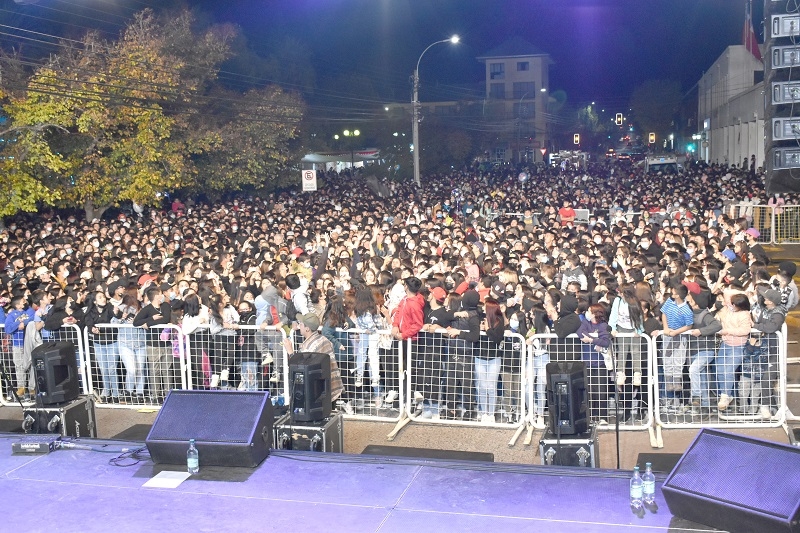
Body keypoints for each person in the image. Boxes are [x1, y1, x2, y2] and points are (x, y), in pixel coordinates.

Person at [282, 312, 343, 407]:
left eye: (301, 324)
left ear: (307, 328)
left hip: (318, 393)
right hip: (332, 388)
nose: (298, 326)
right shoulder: (324, 340)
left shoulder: (309, 347)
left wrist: (290, 352)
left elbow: (300, 368)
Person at [133, 286, 173, 403]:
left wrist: (149, 323)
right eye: (161, 294)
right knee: (154, 370)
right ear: (156, 296)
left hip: (166, 343)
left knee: (167, 369)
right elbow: (136, 322)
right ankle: (155, 395)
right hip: (153, 344)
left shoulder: (165, 306)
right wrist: (151, 318)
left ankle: (168, 393)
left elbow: (166, 319)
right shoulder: (147, 309)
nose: (163, 296)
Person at [659, 283, 694, 415]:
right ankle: (669, 389)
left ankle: (677, 391)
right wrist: (666, 328)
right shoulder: (669, 302)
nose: (672, 293)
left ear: (678, 294)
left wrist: (677, 332)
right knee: (667, 362)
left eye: (673, 291)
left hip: (680, 338)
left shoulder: (686, 309)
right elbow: (663, 313)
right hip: (668, 336)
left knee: (678, 363)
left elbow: (689, 325)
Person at [686, 290, 721, 418]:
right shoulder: (690, 313)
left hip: (706, 350)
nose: (688, 298)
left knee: (693, 370)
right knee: (703, 378)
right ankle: (706, 406)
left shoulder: (705, 315)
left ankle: (696, 397)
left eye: (691, 296)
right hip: (694, 350)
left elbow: (717, 325)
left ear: (696, 301)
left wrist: (701, 331)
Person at [716, 292, 753, 412]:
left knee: (728, 371)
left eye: (733, 303)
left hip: (738, 346)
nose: (730, 304)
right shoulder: (730, 311)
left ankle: (725, 396)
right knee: (720, 370)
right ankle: (725, 394)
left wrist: (727, 331)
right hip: (725, 345)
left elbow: (745, 330)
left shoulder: (745, 314)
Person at [576, 303, 612, 424]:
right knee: (588, 389)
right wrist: (596, 340)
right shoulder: (586, 323)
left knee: (601, 390)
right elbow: (580, 332)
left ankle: (603, 417)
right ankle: (590, 416)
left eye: (589, 311)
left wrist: (592, 340)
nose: (587, 312)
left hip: (600, 363)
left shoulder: (603, 325)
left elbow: (606, 341)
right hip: (587, 362)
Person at [84, 290, 121, 403]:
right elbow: (88, 323)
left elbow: (117, 315)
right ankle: (107, 392)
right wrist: (92, 329)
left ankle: (116, 393)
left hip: (112, 342)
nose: (103, 299)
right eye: (100, 297)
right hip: (98, 343)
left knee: (112, 368)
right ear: (95, 301)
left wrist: (116, 312)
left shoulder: (110, 307)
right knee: (104, 369)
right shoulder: (91, 311)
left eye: (104, 297)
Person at [475, 297, 504, 424]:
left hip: (494, 357)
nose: (482, 309)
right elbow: (473, 335)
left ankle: (491, 413)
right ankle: (483, 411)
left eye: (485, 307)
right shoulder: (479, 319)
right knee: (481, 386)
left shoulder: (499, 321)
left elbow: (496, 338)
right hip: (479, 356)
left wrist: (487, 330)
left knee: (491, 386)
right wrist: (479, 329)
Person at [4, 296, 34, 399]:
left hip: (29, 343)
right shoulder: (12, 315)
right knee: (19, 366)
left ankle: (32, 388)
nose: (25, 301)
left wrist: (23, 323)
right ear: (17, 305)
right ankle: (21, 387)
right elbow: (7, 329)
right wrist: (17, 324)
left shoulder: (29, 311)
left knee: (31, 365)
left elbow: (32, 319)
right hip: (18, 344)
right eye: (22, 301)